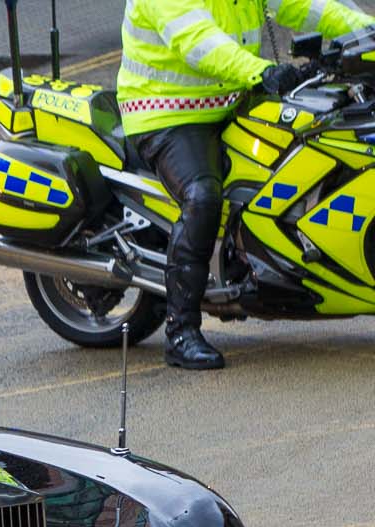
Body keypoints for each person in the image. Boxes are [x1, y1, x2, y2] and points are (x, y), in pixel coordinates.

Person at [119, 0, 375, 369]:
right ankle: (181, 331)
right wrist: (261, 71)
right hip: (167, 113)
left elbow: (303, 5)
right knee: (202, 196)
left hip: (233, 98)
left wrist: (365, 32)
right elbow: (199, 42)